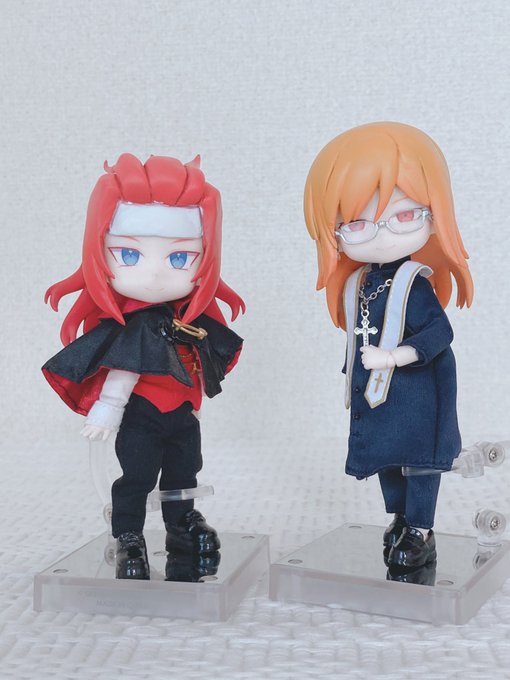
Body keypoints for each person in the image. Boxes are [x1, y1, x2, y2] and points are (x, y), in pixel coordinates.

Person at [43, 153, 244, 580]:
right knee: (136, 476)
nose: (154, 275)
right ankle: (129, 534)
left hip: (183, 414)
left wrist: (197, 402)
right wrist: (107, 409)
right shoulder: (135, 325)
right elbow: (124, 369)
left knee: (183, 472)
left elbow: (202, 361)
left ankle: (181, 525)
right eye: (130, 255)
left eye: (179, 258)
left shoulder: (188, 318)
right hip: (141, 414)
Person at [304, 122, 473, 569]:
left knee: (418, 462)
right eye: (357, 224)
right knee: (387, 459)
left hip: (418, 394)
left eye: (402, 215)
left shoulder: (415, 284)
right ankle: (400, 519)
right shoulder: (361, 282)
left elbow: (440, 334)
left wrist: (393, 357)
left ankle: (420, 529)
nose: (381, 234)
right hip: (379, 396)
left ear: (432, 215)